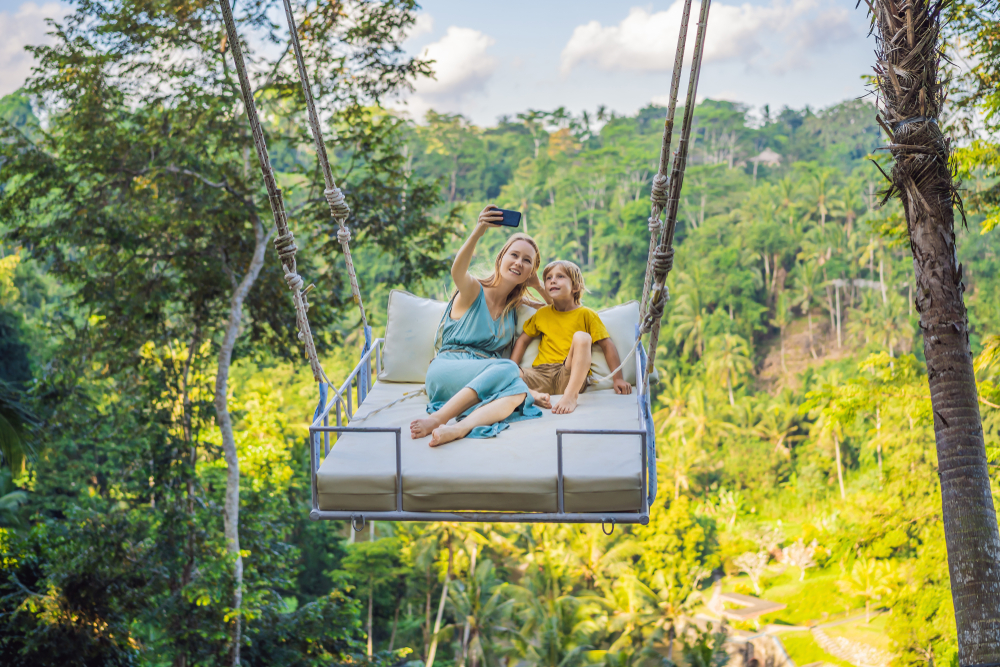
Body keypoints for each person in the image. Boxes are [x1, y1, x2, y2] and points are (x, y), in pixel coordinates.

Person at [409, 205, 552, 447]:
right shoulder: (474, 290)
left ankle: (458, 429)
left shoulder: (514, 308)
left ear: (531, 271)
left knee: (517, 390)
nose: (519, 262)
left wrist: (538, 286)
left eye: (527, 261)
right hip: (448, 370)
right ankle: (437, 419)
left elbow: (559, 311)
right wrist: (479, 230)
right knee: (509, 369)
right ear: (501, 258)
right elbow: (458, 271)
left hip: (485, 379)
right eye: (514, 255)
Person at [511, 260, 632, 414]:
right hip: (541, 373)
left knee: (582, 337)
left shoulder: (587, 314)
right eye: (548, 278)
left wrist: (618, 378)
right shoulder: (542, 313)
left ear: (575, 287)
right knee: (505, 373)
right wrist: (512, 366)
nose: (552, 280)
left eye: (560, 276)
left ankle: (570, 396)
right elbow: (522, 340)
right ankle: (533, 395)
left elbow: (607, 345)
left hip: (569, 374)